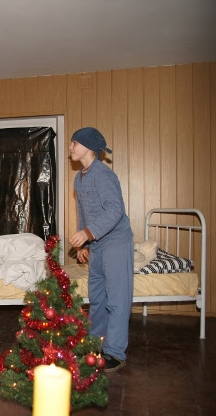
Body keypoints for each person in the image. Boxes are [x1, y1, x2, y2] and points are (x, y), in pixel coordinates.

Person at [67, 126, 134, 372]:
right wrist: (83, 243)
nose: (70, 147)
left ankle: (115, 351)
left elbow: (115, 211)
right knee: (97, 298)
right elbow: (83, 213)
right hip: (96, 244)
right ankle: (95, 343)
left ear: (88, 147)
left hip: (116, 242)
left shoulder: (104, 175)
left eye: (74, 143)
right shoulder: (79, 178)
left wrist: (87, 233)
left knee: (117, 299)